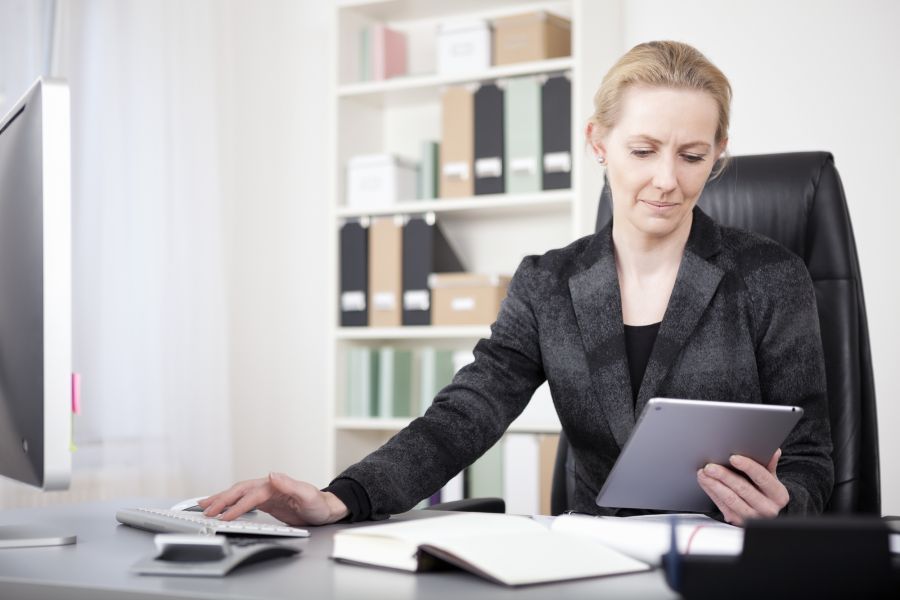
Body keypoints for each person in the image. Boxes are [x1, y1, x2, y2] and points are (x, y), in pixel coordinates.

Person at [200, 41, 834, 528]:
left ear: (718, 153)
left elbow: (809, 456)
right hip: (596, 563)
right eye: (643, 150)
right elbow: (466, 414)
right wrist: (342, 497)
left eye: (692, 156)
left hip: (729, 560)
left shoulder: (770, 278)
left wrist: (786, 506)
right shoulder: (549, 284)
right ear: (598, 142)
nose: (667, 180)